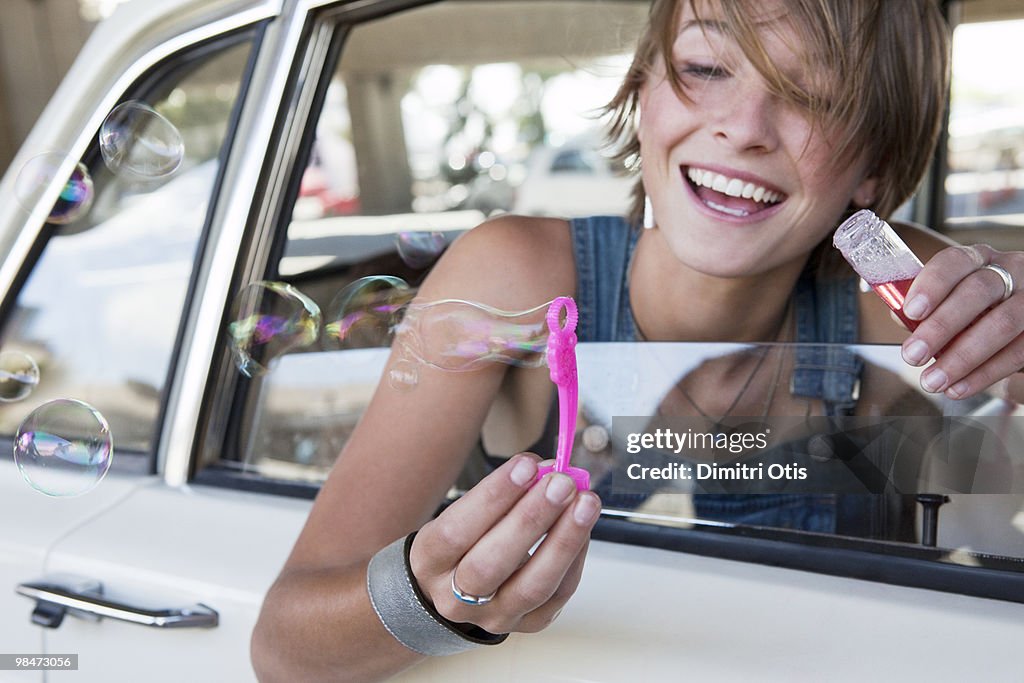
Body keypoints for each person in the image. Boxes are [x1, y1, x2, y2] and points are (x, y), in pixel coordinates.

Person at [251, 1, 1024, 680]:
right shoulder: (520, 277)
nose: (743, 128)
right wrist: (435, 595)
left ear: (874, 164)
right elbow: (287, 648)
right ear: (645, 87)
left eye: (813, 97)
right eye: (705, 65)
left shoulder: (901, 299)